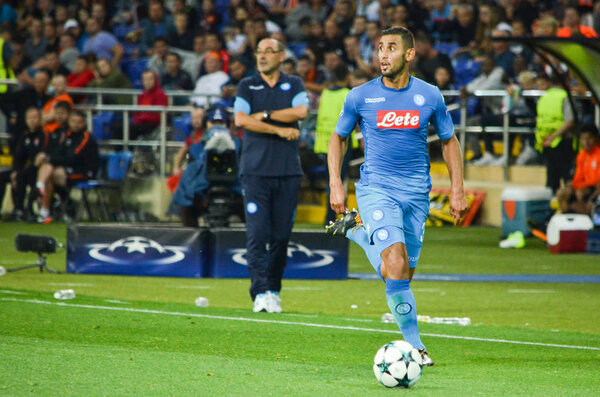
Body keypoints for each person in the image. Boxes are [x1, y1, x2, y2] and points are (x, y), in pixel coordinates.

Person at [326, 26, 468, 367]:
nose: (382, 55)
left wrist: (458, 190)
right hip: (377, 189)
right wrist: (335, 183)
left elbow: (449, 141)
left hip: (417, 193)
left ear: (409, 54)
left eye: (391, 48)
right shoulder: (360, 96)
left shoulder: (430, 95)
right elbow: (338, 138)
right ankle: (415, 348)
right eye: (379, 48)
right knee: (394, 263)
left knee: (402, 274)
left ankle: (358, 232)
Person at [233, 38, 309, 313]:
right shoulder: (247, 85)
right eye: (259, 51)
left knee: (280, 237)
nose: (262, 56)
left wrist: (264, 115)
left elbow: (301, 111)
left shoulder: (295, 84)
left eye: (268, 51)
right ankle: (259, 292)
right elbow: (241, 119)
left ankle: (274, 289)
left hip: (288, 172)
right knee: (257, 233)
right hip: (255, 172)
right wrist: (279, 128)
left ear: (280, 56)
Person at [172, 106, 240, 227]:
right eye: (213, 123)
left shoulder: (240, 145)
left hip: (235, 189)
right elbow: (189, 179)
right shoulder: (195, 148)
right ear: (206, 124)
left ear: (228, 125)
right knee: (185, 201)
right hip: (203, 192)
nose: (217, 126)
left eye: (221, 123)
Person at [35, 111, 99, 223]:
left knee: (50, 171)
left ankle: (42, 200)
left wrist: (50, 159)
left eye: (79, 122)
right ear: (69, 122)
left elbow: (74, 158)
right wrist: (50, 158)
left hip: (84, 171)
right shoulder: (66, 135)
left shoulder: (86, 138)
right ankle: (42, 197)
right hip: (67, 169)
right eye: (73, 121)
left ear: (84, 124)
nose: (76, 124)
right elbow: (58, 152)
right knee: (49, 170)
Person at [535, 73, 575, 193]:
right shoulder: (565, 96)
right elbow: (570, 122)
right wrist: (553, 137)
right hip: (561, 141)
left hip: (544, 141)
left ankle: (550, 206)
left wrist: (546, 138)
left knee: (552, 178)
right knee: (567, 177)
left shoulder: (544, 97)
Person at [556, 125, 600, 214]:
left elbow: (596, 180)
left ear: (596, 139)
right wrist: (571, 185)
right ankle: (567, 217)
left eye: (589, 139)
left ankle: (585, 217)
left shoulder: (598, 154)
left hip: (594, 188)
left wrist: (579, 185)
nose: (586, 142)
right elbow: (578, 177)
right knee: (561, 193)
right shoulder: (581, 155)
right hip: (583, 185)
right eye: (583, 139)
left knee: (580, 193)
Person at [131, 70, 168, 140]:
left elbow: (159, 116)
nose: (147, 82)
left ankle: (129, 149)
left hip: (154, 125)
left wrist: (143, 118)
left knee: (132, 129)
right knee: (120, 127)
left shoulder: (160, 94)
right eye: (145, 80)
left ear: (155, 80)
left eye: (150, 79)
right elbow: (136, 113)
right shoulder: (142, 95)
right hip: (141, 124)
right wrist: (139, 119)